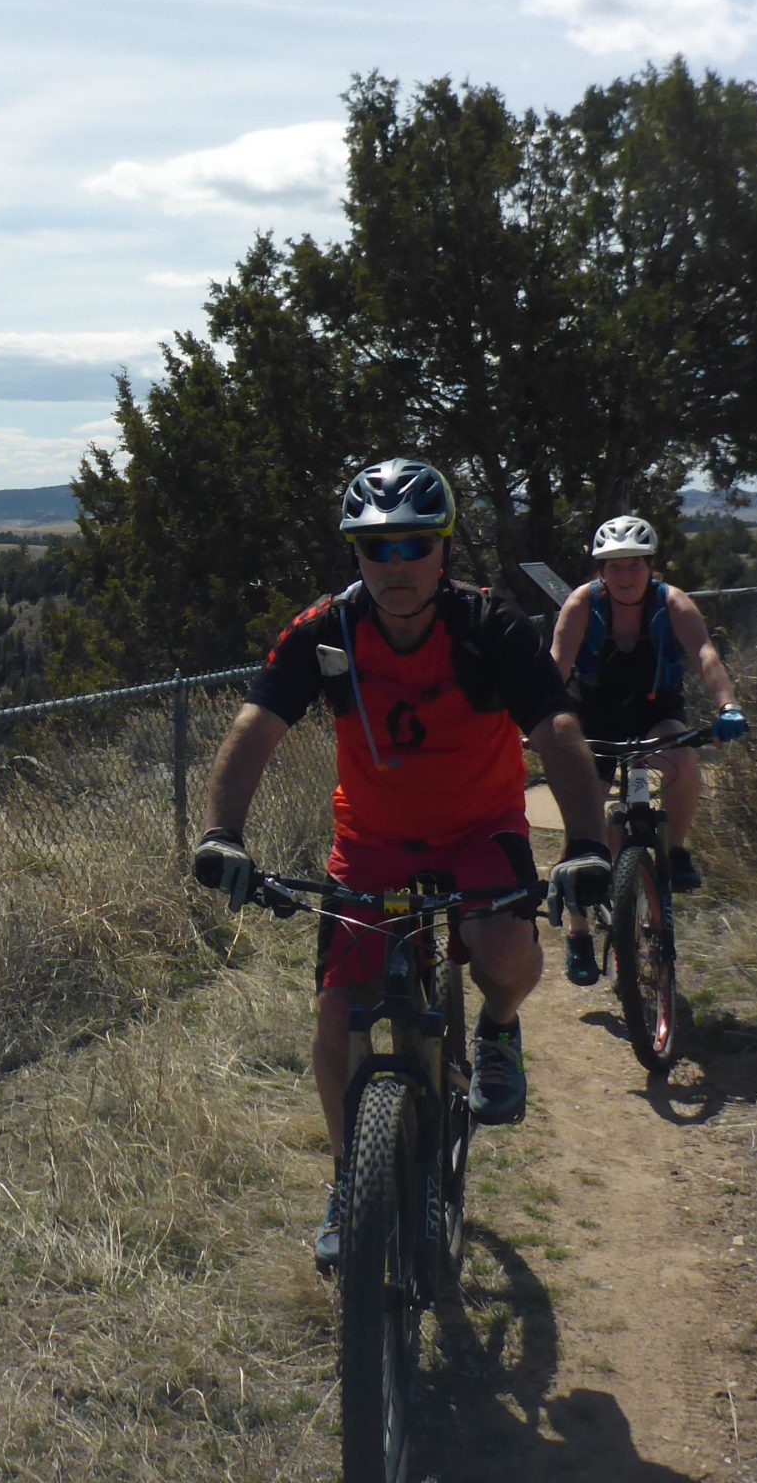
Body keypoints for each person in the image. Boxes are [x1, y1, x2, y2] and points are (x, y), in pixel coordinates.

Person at [191, 457, 610, 1272]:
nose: (395, 564)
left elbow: (557, 729)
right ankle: (351, 1180)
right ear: (355, 556)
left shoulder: (490, 628)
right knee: (338, 1011)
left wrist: (590, 845)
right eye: (375, 547)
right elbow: (255, 727)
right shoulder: (324, 632)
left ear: (442, 551)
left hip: (479, 826)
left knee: (502, 953)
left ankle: (497, 1029)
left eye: (413, 545)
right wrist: (221, 833)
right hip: (373, 843)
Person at [547, 514, 748, 986]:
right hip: (594, 719)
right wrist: (537, 724)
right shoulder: (583, 605)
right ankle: (577, 932)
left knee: (682, 758)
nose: (625, 576)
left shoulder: (671, 603)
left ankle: (675, 852)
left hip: (655, 714)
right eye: (614, 567)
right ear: (601, 571)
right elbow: (556, 666)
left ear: (650, 566)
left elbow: (705, 655)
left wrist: (728, 706)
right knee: (584, 823)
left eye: (635, 565)